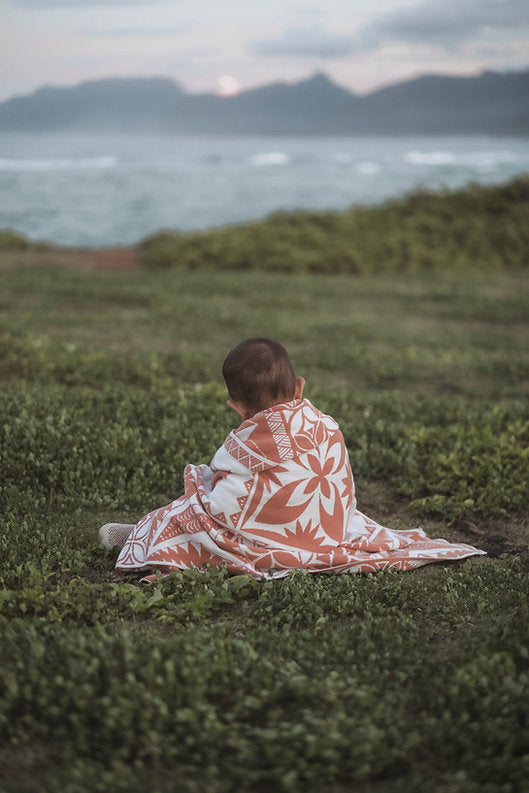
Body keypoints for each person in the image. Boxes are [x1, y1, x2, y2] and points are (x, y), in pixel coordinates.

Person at [99, 338, 485, 580]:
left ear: (237, 408)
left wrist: (204, 494)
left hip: (271, 534)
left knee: (192, 507)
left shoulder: (247, 441)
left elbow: (225, 506)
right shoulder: (326, 425)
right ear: (300, 387)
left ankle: (143, 534)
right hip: (329, 528)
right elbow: (339, 482)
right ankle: (154, 533)